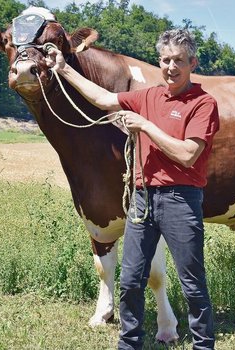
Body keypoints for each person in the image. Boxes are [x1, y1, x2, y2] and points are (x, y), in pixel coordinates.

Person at [47, 28, 219, 350]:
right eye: (166, 60)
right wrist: (63, 67)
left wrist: (145, 126)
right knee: (130, 281)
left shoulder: (203, 104)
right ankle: (129, 344)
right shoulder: (149, 96)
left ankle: (203, 345)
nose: (171, 67)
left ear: (192, 63)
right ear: (160, 61)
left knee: (192, 284)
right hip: (142, 199)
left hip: (180, 199)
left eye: (179, 61)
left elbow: (187, 154)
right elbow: (103, 98)